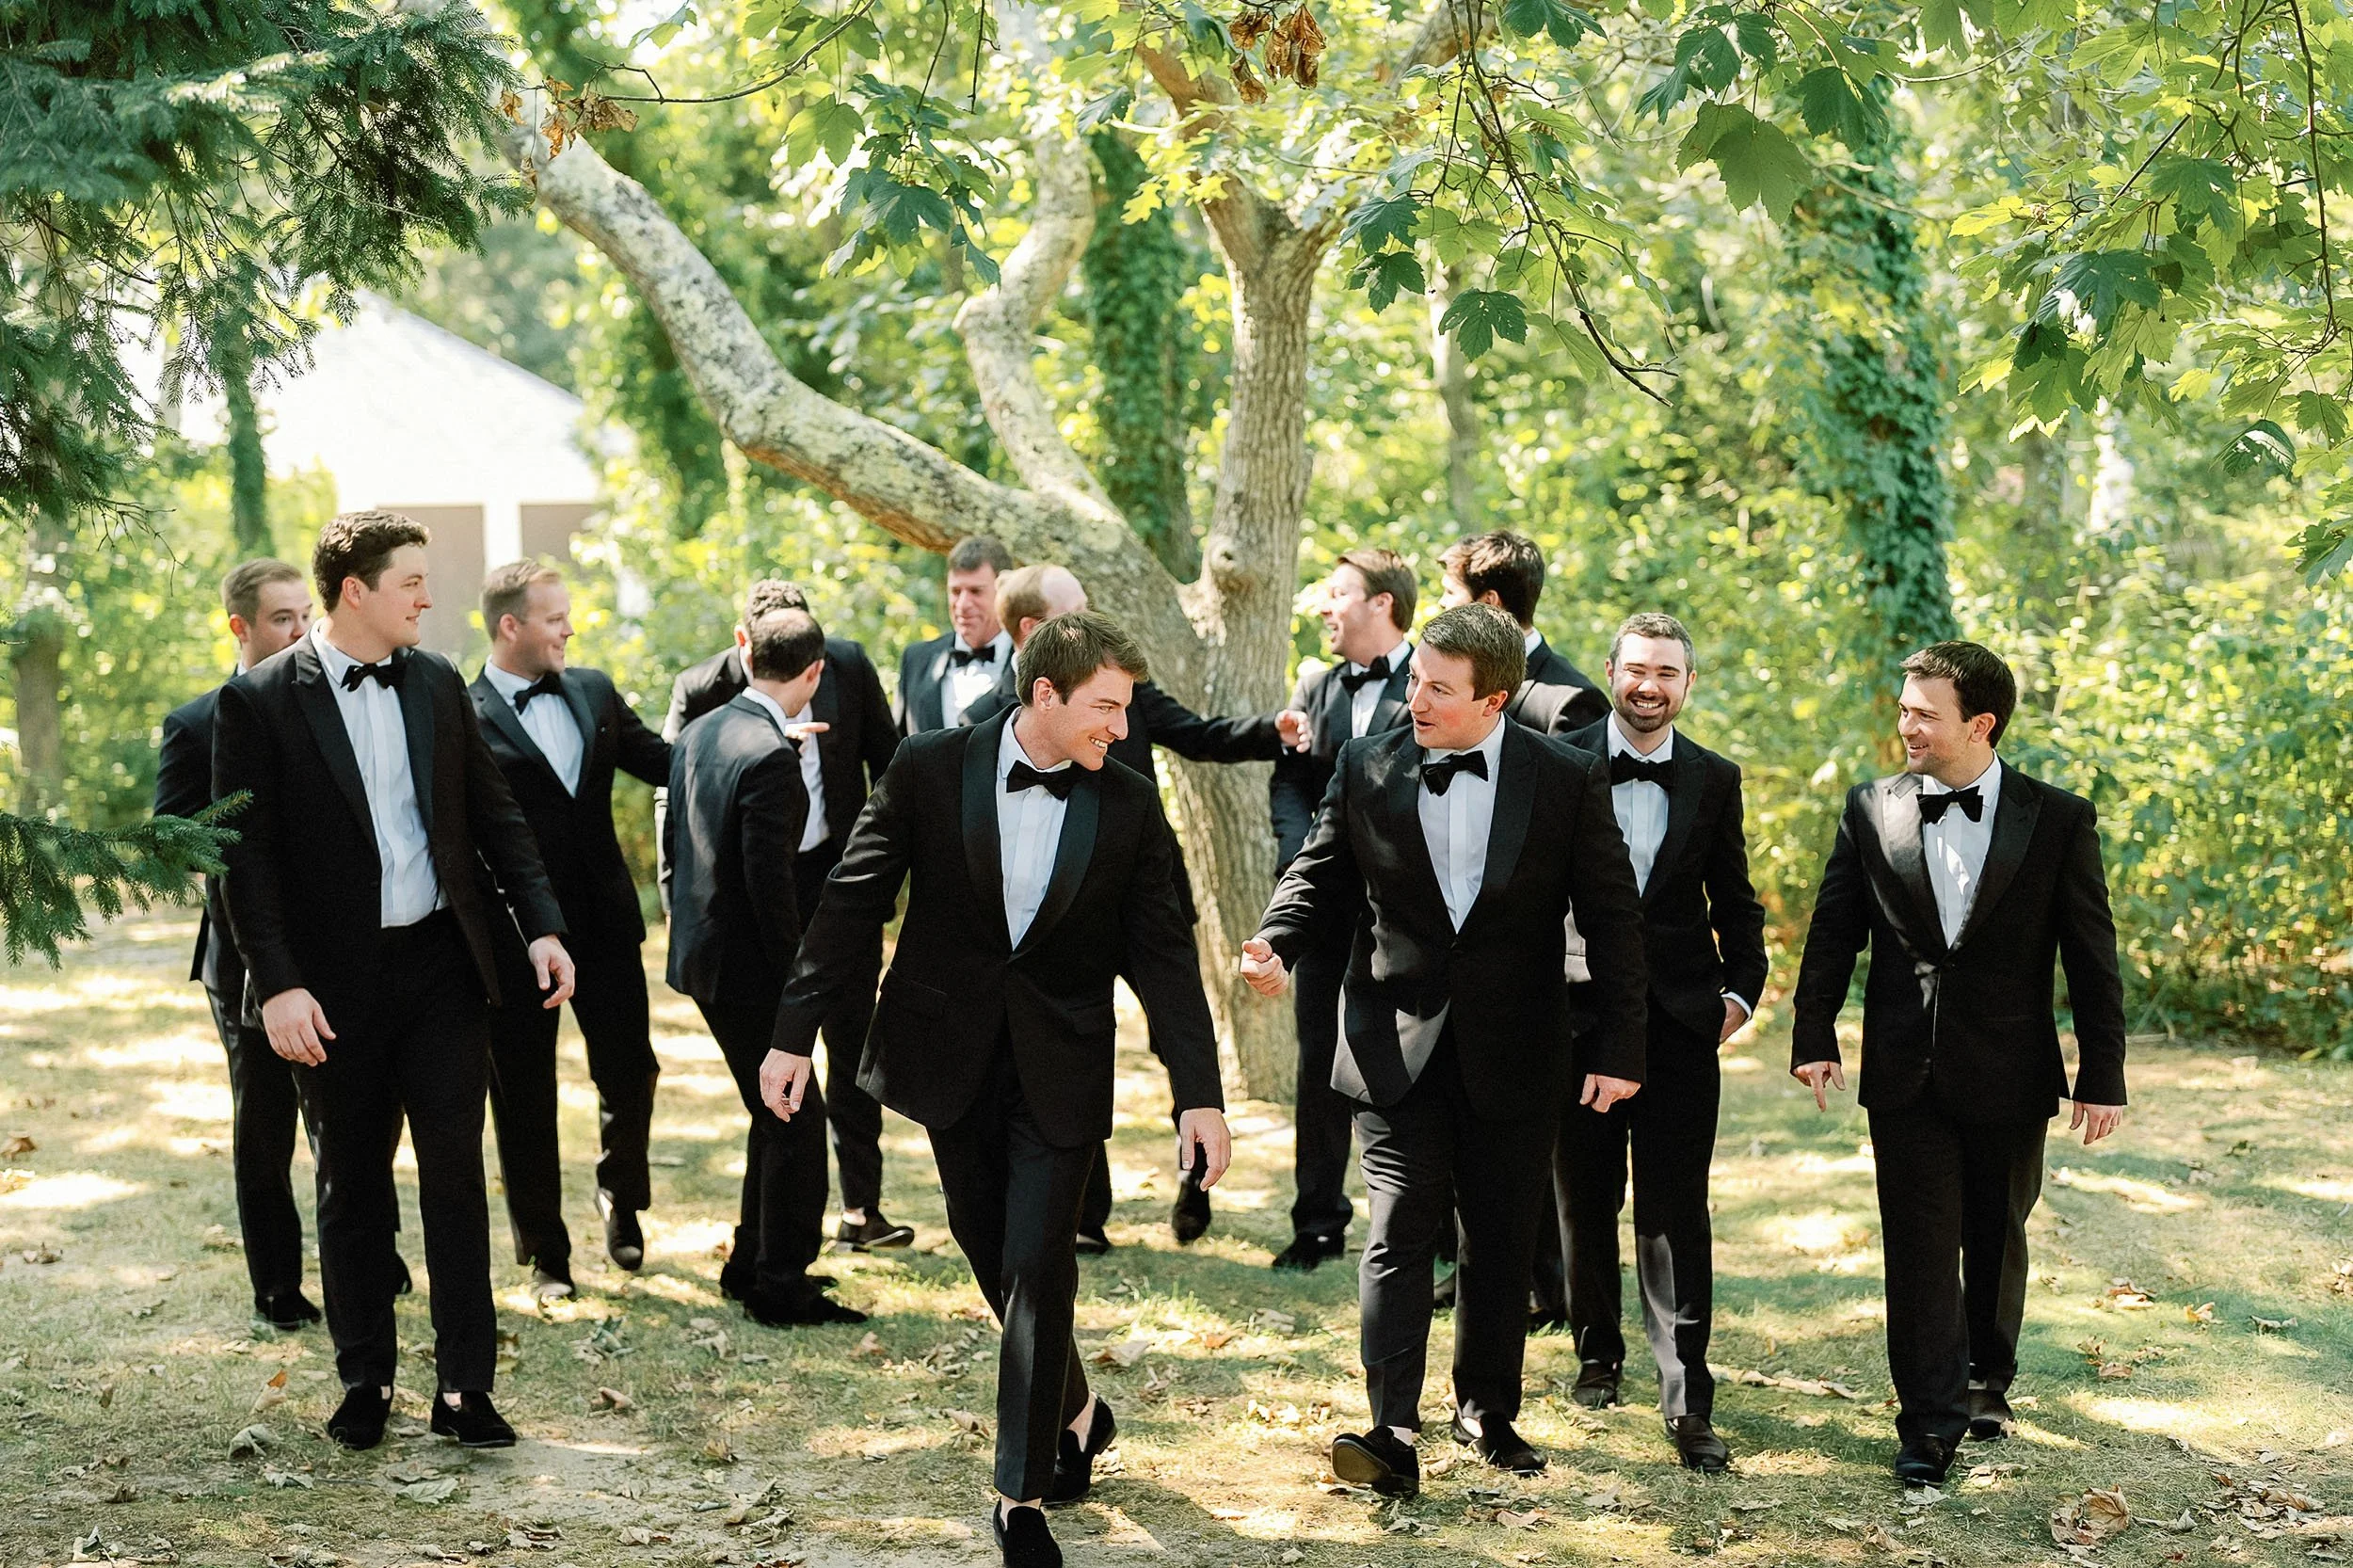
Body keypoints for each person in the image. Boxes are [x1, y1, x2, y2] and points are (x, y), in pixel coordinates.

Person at [768, 611, 1231, 1568]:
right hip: (950, 1055)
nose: (1120, 725)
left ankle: (1020, 1495)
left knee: (1040, 1258)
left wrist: (1199, 1095)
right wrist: (790, 1036)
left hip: (1062, 1064)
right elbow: (850, 902)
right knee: (991, 1248)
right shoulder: (932, 765)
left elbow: (1165, 959)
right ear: (1046, 695)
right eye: (1106, 707)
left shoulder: (1133, 805)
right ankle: (1078, 1409)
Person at [1241, 603, 1647, 1497]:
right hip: (1393, 1041)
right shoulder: (1368, 761)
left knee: (1500, 1239)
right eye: (1417, 678)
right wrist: (1275, 939)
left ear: (1494, 700)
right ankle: (1389, 1426)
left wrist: (1621, 1045)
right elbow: (1319, 870)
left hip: (1519, 1047)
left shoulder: (1565, 778)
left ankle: (1488, 1411)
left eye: (1438, 688)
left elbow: (1615, 918)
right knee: (1397, 1227)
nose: (1416, 698)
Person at [214, 510, 576, 1453]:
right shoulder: (257, 702)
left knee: (456, 1177)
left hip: (440, 968)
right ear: (356, 591)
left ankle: (464, 1387)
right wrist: (280, 984)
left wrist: (539, 925)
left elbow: (495, 821)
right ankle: (365, 1374)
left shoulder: (436, 683)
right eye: (411, 580)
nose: (428, 595)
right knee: (352, 1181)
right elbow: (243, 863)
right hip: (330, 987)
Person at [1791, 640, 2128, 1486]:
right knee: (1917, 1245)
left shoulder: (2056, 818)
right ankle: (1928, 1423)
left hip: (2013, 1070)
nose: (1905, 724)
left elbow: (2092, 954)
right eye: (1903, 708)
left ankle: (1987, 1378)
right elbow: (1834, 929)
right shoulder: (1870, 806)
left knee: (1995, 1232)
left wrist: (2104, 1074)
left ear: (1981, 723)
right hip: (1905, 1071)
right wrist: (1814, 1032)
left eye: (1923, 713)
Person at [960, 564, 1292, 1253]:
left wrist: (1273, 731)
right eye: (1077, 607)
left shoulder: (1118, 689)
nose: (1095, 615)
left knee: (1176, 1033)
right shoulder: (981, 728)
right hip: (1057, 919)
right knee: (1061, 1048)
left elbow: (1197, 734)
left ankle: (1194, 1168)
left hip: (1147, 900)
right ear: (1035, 631)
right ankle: (1083, 1212)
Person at [1550, 613, 1768, 1472]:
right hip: (1577, 1015)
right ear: (1610, 670)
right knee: (1584, 1193)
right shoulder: (1559, 764)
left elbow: (1736, 900)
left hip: (1681, 1024)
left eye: (1667, 673)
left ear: (1687, 685)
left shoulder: (1715, 780)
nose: (1649, 685)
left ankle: (1688, 1399)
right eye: (1636, 669)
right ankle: (1597, 1353)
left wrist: (1741, 993)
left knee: (1677, 1209)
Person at [664, 580, 905, 1253]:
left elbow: (887, 766)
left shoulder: (844, 667)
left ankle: (854, 1213)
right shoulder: (720, 708)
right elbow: (685, 813)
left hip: (838, 883)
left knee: (846, 1056)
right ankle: (777, 1270)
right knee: (787, 1101)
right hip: (755, 919)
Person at [470, 561, 671, 1299]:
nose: (570, 628)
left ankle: (622, 1195)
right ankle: (547, 1254)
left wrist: (748, 747)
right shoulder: (462, 712)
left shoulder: (592, 689)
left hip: (607, 924)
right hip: (517, 936)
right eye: (555, 618)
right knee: (523, 1091)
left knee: (631, 1071)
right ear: (510, 625)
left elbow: (662, 762)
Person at [155, 559, 326, 1329]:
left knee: (350, 1116)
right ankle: (277, 1288)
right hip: (242, 958)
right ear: (241, 627)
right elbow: (173, 835)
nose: (300, 631)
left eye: (305, 615)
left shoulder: (333, 702)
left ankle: (368, 1251)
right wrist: (243, 855)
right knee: (265, 1126)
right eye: (283, 619)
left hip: (337, 943)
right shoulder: (195, 722)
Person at [1265, 548, 1418, 1273]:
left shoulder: (1431, 680)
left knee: (1412, 1064)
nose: (1324, 607)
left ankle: (1427, 1225)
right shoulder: (1314, 684)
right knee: (1317, 1066)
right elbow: (1292, 786)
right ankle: (1318, 1222)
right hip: (1327, 915)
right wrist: (1305, 861)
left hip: (1405, 916)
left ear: (1381, 604)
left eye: (1337, 594)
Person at [1436, 531, 1606, 734]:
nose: (1442, 603)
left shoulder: (1573, 703)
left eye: (1451, 592)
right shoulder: (1438, 679)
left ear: (1489, 602)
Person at [896, 535, 1015, 735]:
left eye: (976, 591)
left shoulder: (1030, 661)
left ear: (1004, 592)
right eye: (956, 591)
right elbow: (896, 751)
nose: (962, 605)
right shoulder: (916, 659)